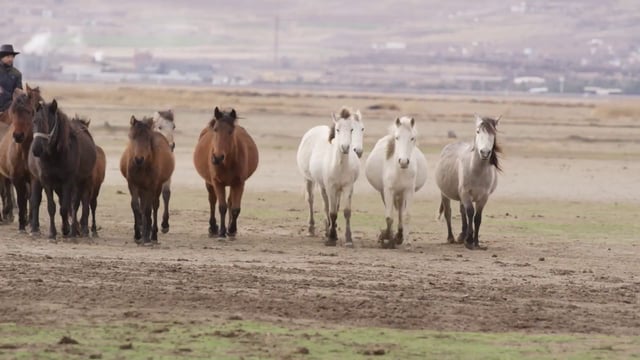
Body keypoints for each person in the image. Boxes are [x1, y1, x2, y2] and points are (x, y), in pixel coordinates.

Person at [0, 44, 23, 113]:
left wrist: (19, 93)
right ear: (1, 57)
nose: (10, 59)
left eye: (12, 57)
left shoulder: (17, 73)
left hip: (9, 107)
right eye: (8, 57)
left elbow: (18, 90)